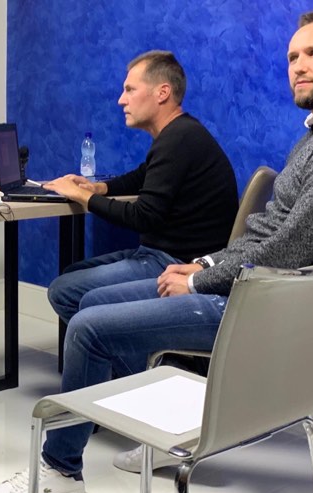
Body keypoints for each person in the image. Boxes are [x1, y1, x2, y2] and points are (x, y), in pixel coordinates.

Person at [0, 11, 313, 493]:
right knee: (87, 301)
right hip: (251, 290)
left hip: (258, 306)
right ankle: (151, 424)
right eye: (292, 56)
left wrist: (200, 282)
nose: (298, 66)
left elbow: (289, 251)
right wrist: (203, 266)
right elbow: (266, 237)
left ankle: (60, 470)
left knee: (88, 326)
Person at [44, 50, 238, 326]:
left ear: (162, 93)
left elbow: (143, 217)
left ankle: (115, 342)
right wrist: (99, 188)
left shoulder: (178, 139)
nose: (121, 100)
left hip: (174, 262)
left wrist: (83, 196)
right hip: (161, 253)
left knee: (64, 291)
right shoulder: (180, 133)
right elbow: (143, 174)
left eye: (129, 90)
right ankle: (107, 338)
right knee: (71, 275)